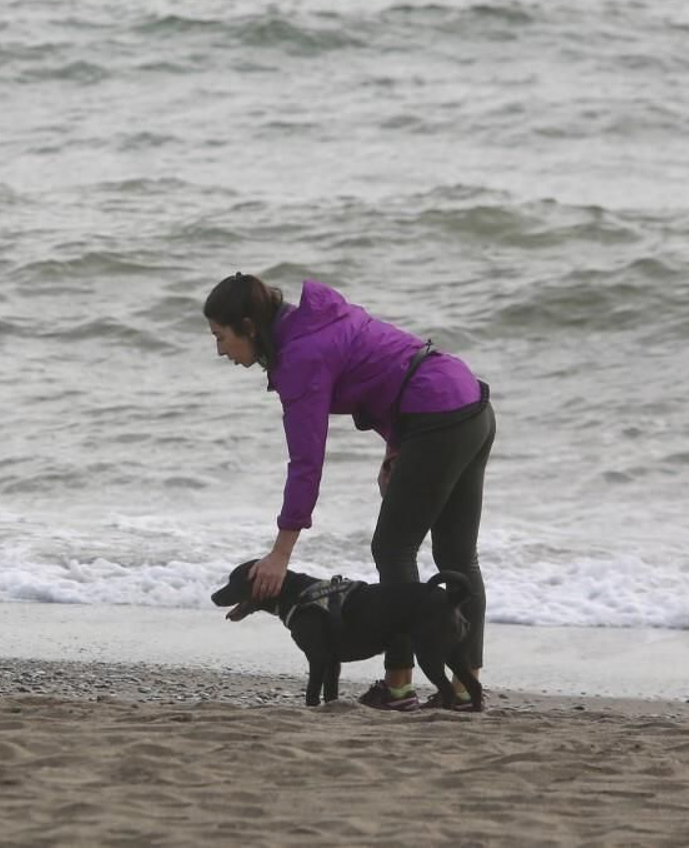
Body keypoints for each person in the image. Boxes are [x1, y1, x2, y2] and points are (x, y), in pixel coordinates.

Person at [203, 273, 495, 711]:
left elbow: (306, 465)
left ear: (248, 326)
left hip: (433, 415)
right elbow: (388, 369)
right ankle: (463, 685)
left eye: (221, 337)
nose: (220, 350)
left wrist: (280, 553)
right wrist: (397, 446)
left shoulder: (300, 356)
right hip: (468, 403)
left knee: (393, 548)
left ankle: (399, 688)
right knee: (456, 556)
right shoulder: (317, 322)